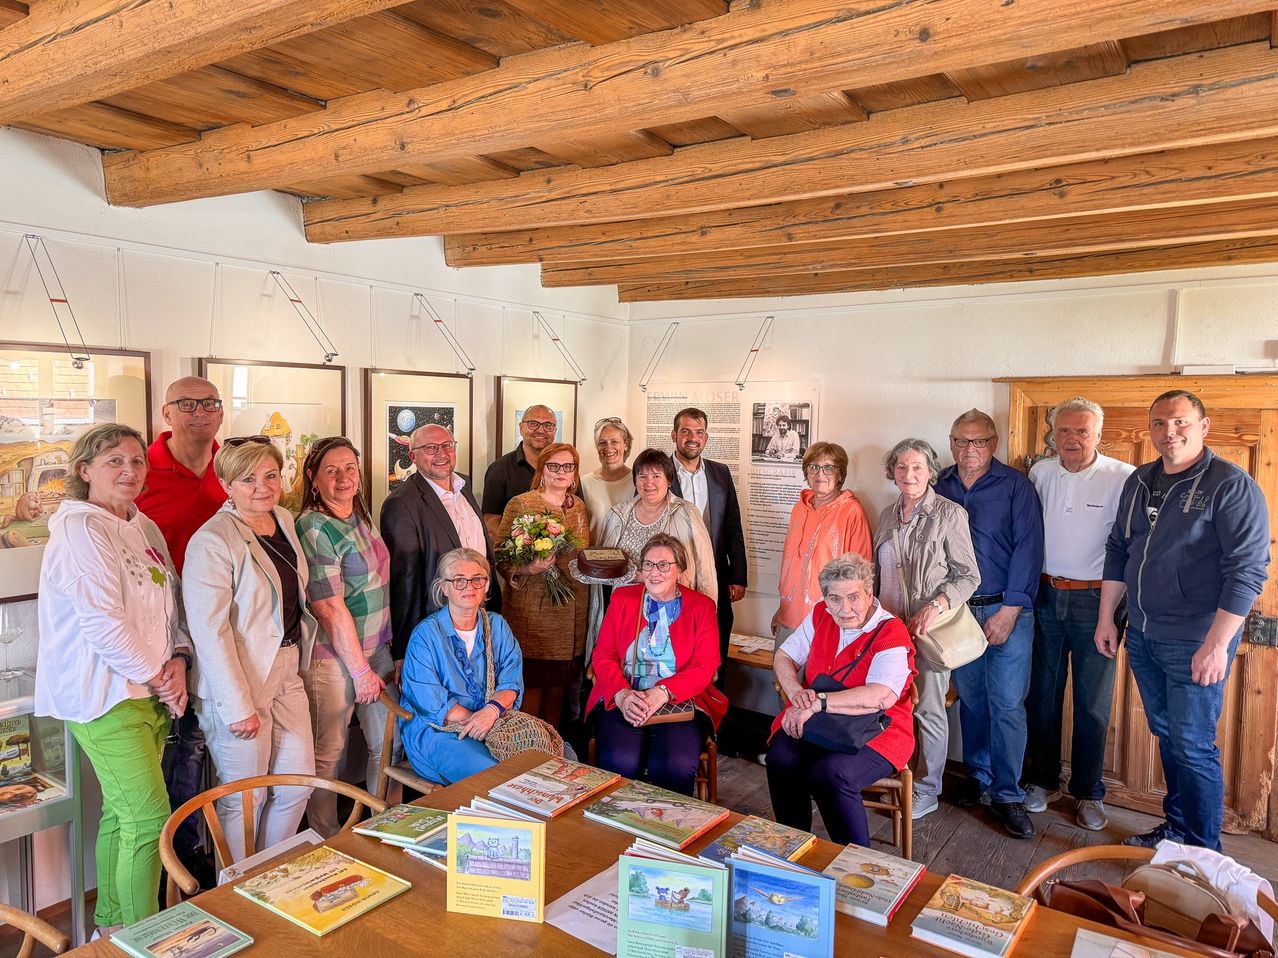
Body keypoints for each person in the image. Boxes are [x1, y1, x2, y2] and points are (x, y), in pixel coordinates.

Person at [34, 423, 190, 935]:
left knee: (122, 817)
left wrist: (180, 660)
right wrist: (158, 677)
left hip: (149, 692)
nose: (130, 471)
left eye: (137, 461)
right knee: (148, 821)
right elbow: (102, 620)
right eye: (114, 462)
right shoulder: (80, 527)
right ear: (85, 471)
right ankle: (147, 939)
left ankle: (111, 930)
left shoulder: (141, 525)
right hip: (104, 695)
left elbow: (170, 602)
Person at [1098, 390, 1269, 851]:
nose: (1168, 432)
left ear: (1203, 426)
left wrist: (1216, 645)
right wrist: (1108, 619)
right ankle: (1176, 831)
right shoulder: (1139, 481)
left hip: (1195, 640)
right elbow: (1119, 549)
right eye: (1158, 423)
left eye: (1179, 422)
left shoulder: (1230, 486)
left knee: (1192, 746)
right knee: (1169, 738)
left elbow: (1248, 571)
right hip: (1143, 635)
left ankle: (1202, 853)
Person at [183, 437, 316, 861]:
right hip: (239, 679)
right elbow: (210, 630)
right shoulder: (212, 539)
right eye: (248, 479)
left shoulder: (283, 519)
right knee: (246, 798)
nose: (262, 486)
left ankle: (268, 872)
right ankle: (237, 890)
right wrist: (237, 704)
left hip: (287, 668)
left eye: (271, 475)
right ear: (226, 484)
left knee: (300, 782)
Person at [1025, 398, 1134, 831]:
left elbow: (1126, 550)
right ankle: (1042, 781)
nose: (1071, 439)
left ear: (1098, 434)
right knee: (1042, 697)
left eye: (1082, 431)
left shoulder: (1122, 478)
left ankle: (1089, 792)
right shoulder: (1040, 473)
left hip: (1098, 604)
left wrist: (1109, 614)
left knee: (1092, 704)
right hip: (1046, 596)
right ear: (1053, 434)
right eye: (1064, 431)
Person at [134, 375, 227, 881]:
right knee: (184, 743)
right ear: (167, 413)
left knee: (227, 736)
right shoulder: (140, 470)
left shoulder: (231, 467)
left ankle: (231, 853)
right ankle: (186, 865)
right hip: (168, 629)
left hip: (228, 624)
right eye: (186, 404)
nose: (199, 412)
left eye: (209, 403)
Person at [935, 410, 1044, 839]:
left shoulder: (1016, 486)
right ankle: (978, 778)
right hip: (958, 612)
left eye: (978, 441)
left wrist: (1010, 610)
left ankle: (1008, 794)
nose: (969, 450)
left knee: (1007, 704)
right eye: (961, 441)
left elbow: (1029, 550)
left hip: (1006, 610)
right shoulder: (937, 483)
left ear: (993, 443)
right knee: (973, 699)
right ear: (950, 441)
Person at [767, 554, 917, 847]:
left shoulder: (890, 630)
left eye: (853, 597)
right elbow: (784, 656)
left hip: (880, 728)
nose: (844, 608)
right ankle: (793, 846)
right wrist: (797, 694)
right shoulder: (822, 614)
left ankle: (855, 860)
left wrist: (817, 703)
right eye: (834, 598)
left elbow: (880, 697)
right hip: (820, 720)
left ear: (869, 593)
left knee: (831, 773)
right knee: (780, 757)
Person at [874, 438, 979, 822]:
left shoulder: (950, 514)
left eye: (917, 467)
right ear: (892, 472)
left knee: (930, 710)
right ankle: (893, 775)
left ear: (931, 471)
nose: (909, 475)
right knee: (890, 704)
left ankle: (928, 788)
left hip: (925, 631)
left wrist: (935, 606)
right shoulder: (887, 515)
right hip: (888, 632)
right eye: (902, 468)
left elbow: (969, 576)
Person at [296, 437, 394, 838]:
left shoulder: (360, 515)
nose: (343, 478)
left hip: (378, 650)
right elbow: (329, 607)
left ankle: (384, 829)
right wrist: (359, 671)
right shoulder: (314, 525)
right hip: (334, 659)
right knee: (328, 755)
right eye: (331, 471)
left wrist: (383, 655)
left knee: (385, 747)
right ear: (312, 479)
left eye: (349, 468)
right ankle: (327, 839)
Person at [587, 534, 726, 795]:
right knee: (620, 760)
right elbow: (603, 654)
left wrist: (661, 693)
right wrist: (623, 694)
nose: (654, 572)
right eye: (648, 564)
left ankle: (666, 830)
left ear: (679, 569)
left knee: (673, 766)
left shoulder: (702, 607)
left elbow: (705, 667)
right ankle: (617, 827)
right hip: (625, 697)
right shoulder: (623, 599)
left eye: (664, 565)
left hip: (679, 702)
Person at [399, 548, 523, 785]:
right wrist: (479, 724)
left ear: (486, 585)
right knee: (497, 776)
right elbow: (432, 703)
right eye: (458, 580)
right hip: (437, 733)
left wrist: (490, 713)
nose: (470, 587)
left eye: (477, 579)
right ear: (443, 588)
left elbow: (511, 682)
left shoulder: (497, 626)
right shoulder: (425, 636)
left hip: (492, 722)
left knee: (556, 756)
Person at [380, 423, 500, 666]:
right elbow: (405, 582)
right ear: (413, 456)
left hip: (481, 615)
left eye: (447, 446)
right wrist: (404, 650)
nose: (442, 454)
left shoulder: (463, 487)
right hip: (436, 625)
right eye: (431, 448)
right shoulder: (401, 504)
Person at [495, 442, 590, 726]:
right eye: (554, 466)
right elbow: (500, 555)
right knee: (531, 691)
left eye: (568, 467)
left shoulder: (580, 508)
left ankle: (552, 754)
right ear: (542, 470)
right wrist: (529, 567)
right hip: (533, 616)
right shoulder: (522, 504)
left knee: (558, 693)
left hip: (573, 615)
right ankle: (526, 755)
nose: (561, 472)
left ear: (575, 473)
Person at [773, 442, 873, 645]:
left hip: (829, 620)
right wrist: (781, 609)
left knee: (816, 677)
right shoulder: (798, 509)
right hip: (789, 616)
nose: (821, 474)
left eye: (829, 467)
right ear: (806, 471)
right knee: (783, 674)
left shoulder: (852, 512)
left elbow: (861, 576)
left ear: (840, 474)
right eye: (814, 466)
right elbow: (790, 565)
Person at [671, 407, 748, 662]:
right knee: (679, 647)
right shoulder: (659, 473)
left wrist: (738, 576)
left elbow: (733, 526)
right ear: (674, 435)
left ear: (706, 437)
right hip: (674, 575)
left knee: (716, 646)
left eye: (699, 432)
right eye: (686, 431)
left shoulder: (720, 472)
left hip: (715, 573)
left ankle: (716, 700)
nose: (692, 437)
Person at [601, 449, 718, 602]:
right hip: (624, 609)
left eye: (656, 476)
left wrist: (707, 612)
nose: (649, 483)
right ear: (635, 481)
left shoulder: (688, 514)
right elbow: (602, 567)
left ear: (669, 481)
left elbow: (705, 570)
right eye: (642, 476)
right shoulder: (617, 514)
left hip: (672, 608)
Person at [482, 403, 557, 539]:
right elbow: (490, 521)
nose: (541, 430)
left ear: (555, 430)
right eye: (533, 424)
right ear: (521, 428)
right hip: (517, 555)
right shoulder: (499, 470)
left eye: (548, 425)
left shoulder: (566, 469)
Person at [580, 417, 635, 543]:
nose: (608, 447)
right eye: (602, 442)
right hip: (593, 559)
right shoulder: (584, 483)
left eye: (614, 441)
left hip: (629, 560)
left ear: (626, 444)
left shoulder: (639, 482)